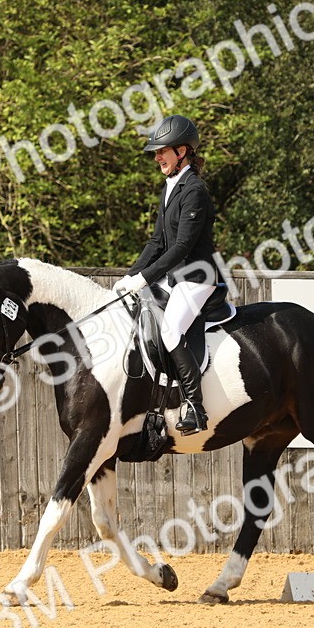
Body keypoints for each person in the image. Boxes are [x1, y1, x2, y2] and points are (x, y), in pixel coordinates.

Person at [112, 114, 230, 435]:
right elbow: (157, 242)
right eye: (156, 152)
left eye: (162, 151)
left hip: (197, 276)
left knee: (170, 331)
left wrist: (144, 279)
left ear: (181, 152)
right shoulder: (170, 187)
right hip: (175, 277)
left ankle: (195, 406)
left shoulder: (195, 191)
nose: (157, 157)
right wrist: (130, 276)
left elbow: (180, 248)